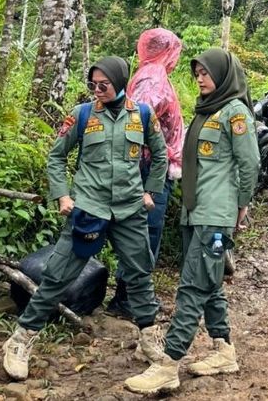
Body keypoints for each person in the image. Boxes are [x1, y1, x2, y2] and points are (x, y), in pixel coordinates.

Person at [3, 57, 167, 381]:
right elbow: (56, 156)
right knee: (57, 277)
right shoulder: (82, 115)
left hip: (129, 209)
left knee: (139, 276)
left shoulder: (143, 115)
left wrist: (151, 191)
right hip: (89, 209)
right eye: (93, 84)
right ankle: (19, 340)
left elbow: (160, 155)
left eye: (103, 84)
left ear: (120, 81)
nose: (97, 90)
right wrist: (63, 195)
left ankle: (150, 341)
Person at [124, 48, 260, 394]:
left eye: (205, 73)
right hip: (194, 210)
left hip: (215, 213)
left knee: (193, 285)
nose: (200, 78)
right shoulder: (207, 109)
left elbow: (250, 164)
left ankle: (169, 365)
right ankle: (223, 350)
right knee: (209, 281)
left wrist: (241, 205)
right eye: (196, 73)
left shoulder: (234, 112)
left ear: (224, 75)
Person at [107, 28, 184, 319]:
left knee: (141, 232)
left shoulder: (149, 74)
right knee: (144, 232)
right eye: (175, 51)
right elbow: (136, 126)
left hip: (149, 165)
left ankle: (130, 297)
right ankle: (130, 301)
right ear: (167, 50)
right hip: (147, 168)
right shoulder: (153, 79)